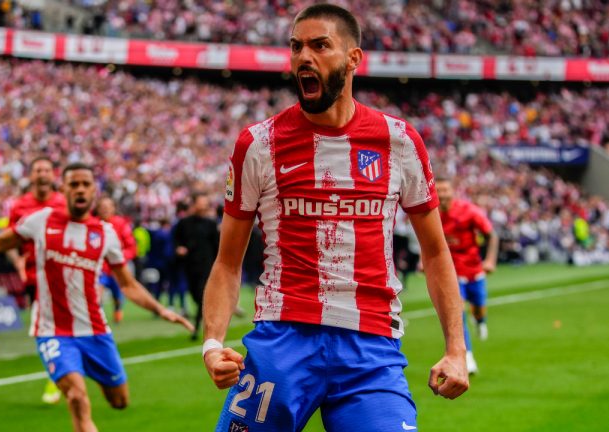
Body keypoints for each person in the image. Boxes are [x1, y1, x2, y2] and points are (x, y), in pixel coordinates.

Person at [201, 5, 468, 431]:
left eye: (320, 45)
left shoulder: (399, 141)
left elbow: (435, 253)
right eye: (296, 47)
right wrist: (212, 344)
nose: (304, 57)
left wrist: (456, 349)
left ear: (353, 58)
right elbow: (228, 262)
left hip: (371, 348)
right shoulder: (258, 144)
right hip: (282, 341)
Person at [0, 163, 193, 432]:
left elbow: (127, 284)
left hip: (94, 330)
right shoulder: (42, 220)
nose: (80, 189)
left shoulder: (105, 234)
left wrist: (161, 310)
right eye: (74, 184)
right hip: (53, 331)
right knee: (77, 397)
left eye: (85, 184)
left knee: (119, 401)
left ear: (94, 191)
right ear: (63, 189)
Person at [7, 156, 67, 404]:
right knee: (45, 327)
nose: (42, 174)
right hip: (35, 276)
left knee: (64, 324)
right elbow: (8, 241)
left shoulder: (63, 202)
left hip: (65, 273)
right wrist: (17, 262)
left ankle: (60, 373)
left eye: (46, 170)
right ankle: (57, 373)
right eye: (38, 170)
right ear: (31, 176)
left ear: (53, 175)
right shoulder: (19, 206)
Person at [436, 176, 498, 374]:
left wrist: (490, 260)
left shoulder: (469, 211)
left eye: (445, 190)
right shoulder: (432, 215)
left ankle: (480, 320)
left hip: (473, 270)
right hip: (451, 272)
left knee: (479, 307)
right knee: (457, 313)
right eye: (438, 191)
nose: (442, 195)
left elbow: (491, 235)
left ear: (452, 192)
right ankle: (468, 357)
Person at [173, 193, 219, 340]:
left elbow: (217, 246)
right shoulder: (184, 223)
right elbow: (176, 240)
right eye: (201, 202)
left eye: (205, 202)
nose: (203, 205)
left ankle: (197, 328)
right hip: (190, 265)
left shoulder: (211, 224)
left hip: (207, 265)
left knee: (202, 296)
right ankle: (204, 319)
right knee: (195, 295)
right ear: (194, 204)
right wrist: (179, 248)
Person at [94, 196, 138, 323]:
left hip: (117, 269)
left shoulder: (121, 224)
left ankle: (117, 308)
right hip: (99, 269)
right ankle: (98, 318)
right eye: (102, 207)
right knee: (97, 295)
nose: (105, 210)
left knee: (118, 297)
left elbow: (132, 247)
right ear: (97, 209)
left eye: (108, 207)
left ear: (113, 208)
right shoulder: (93, 224)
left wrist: (119, 257)